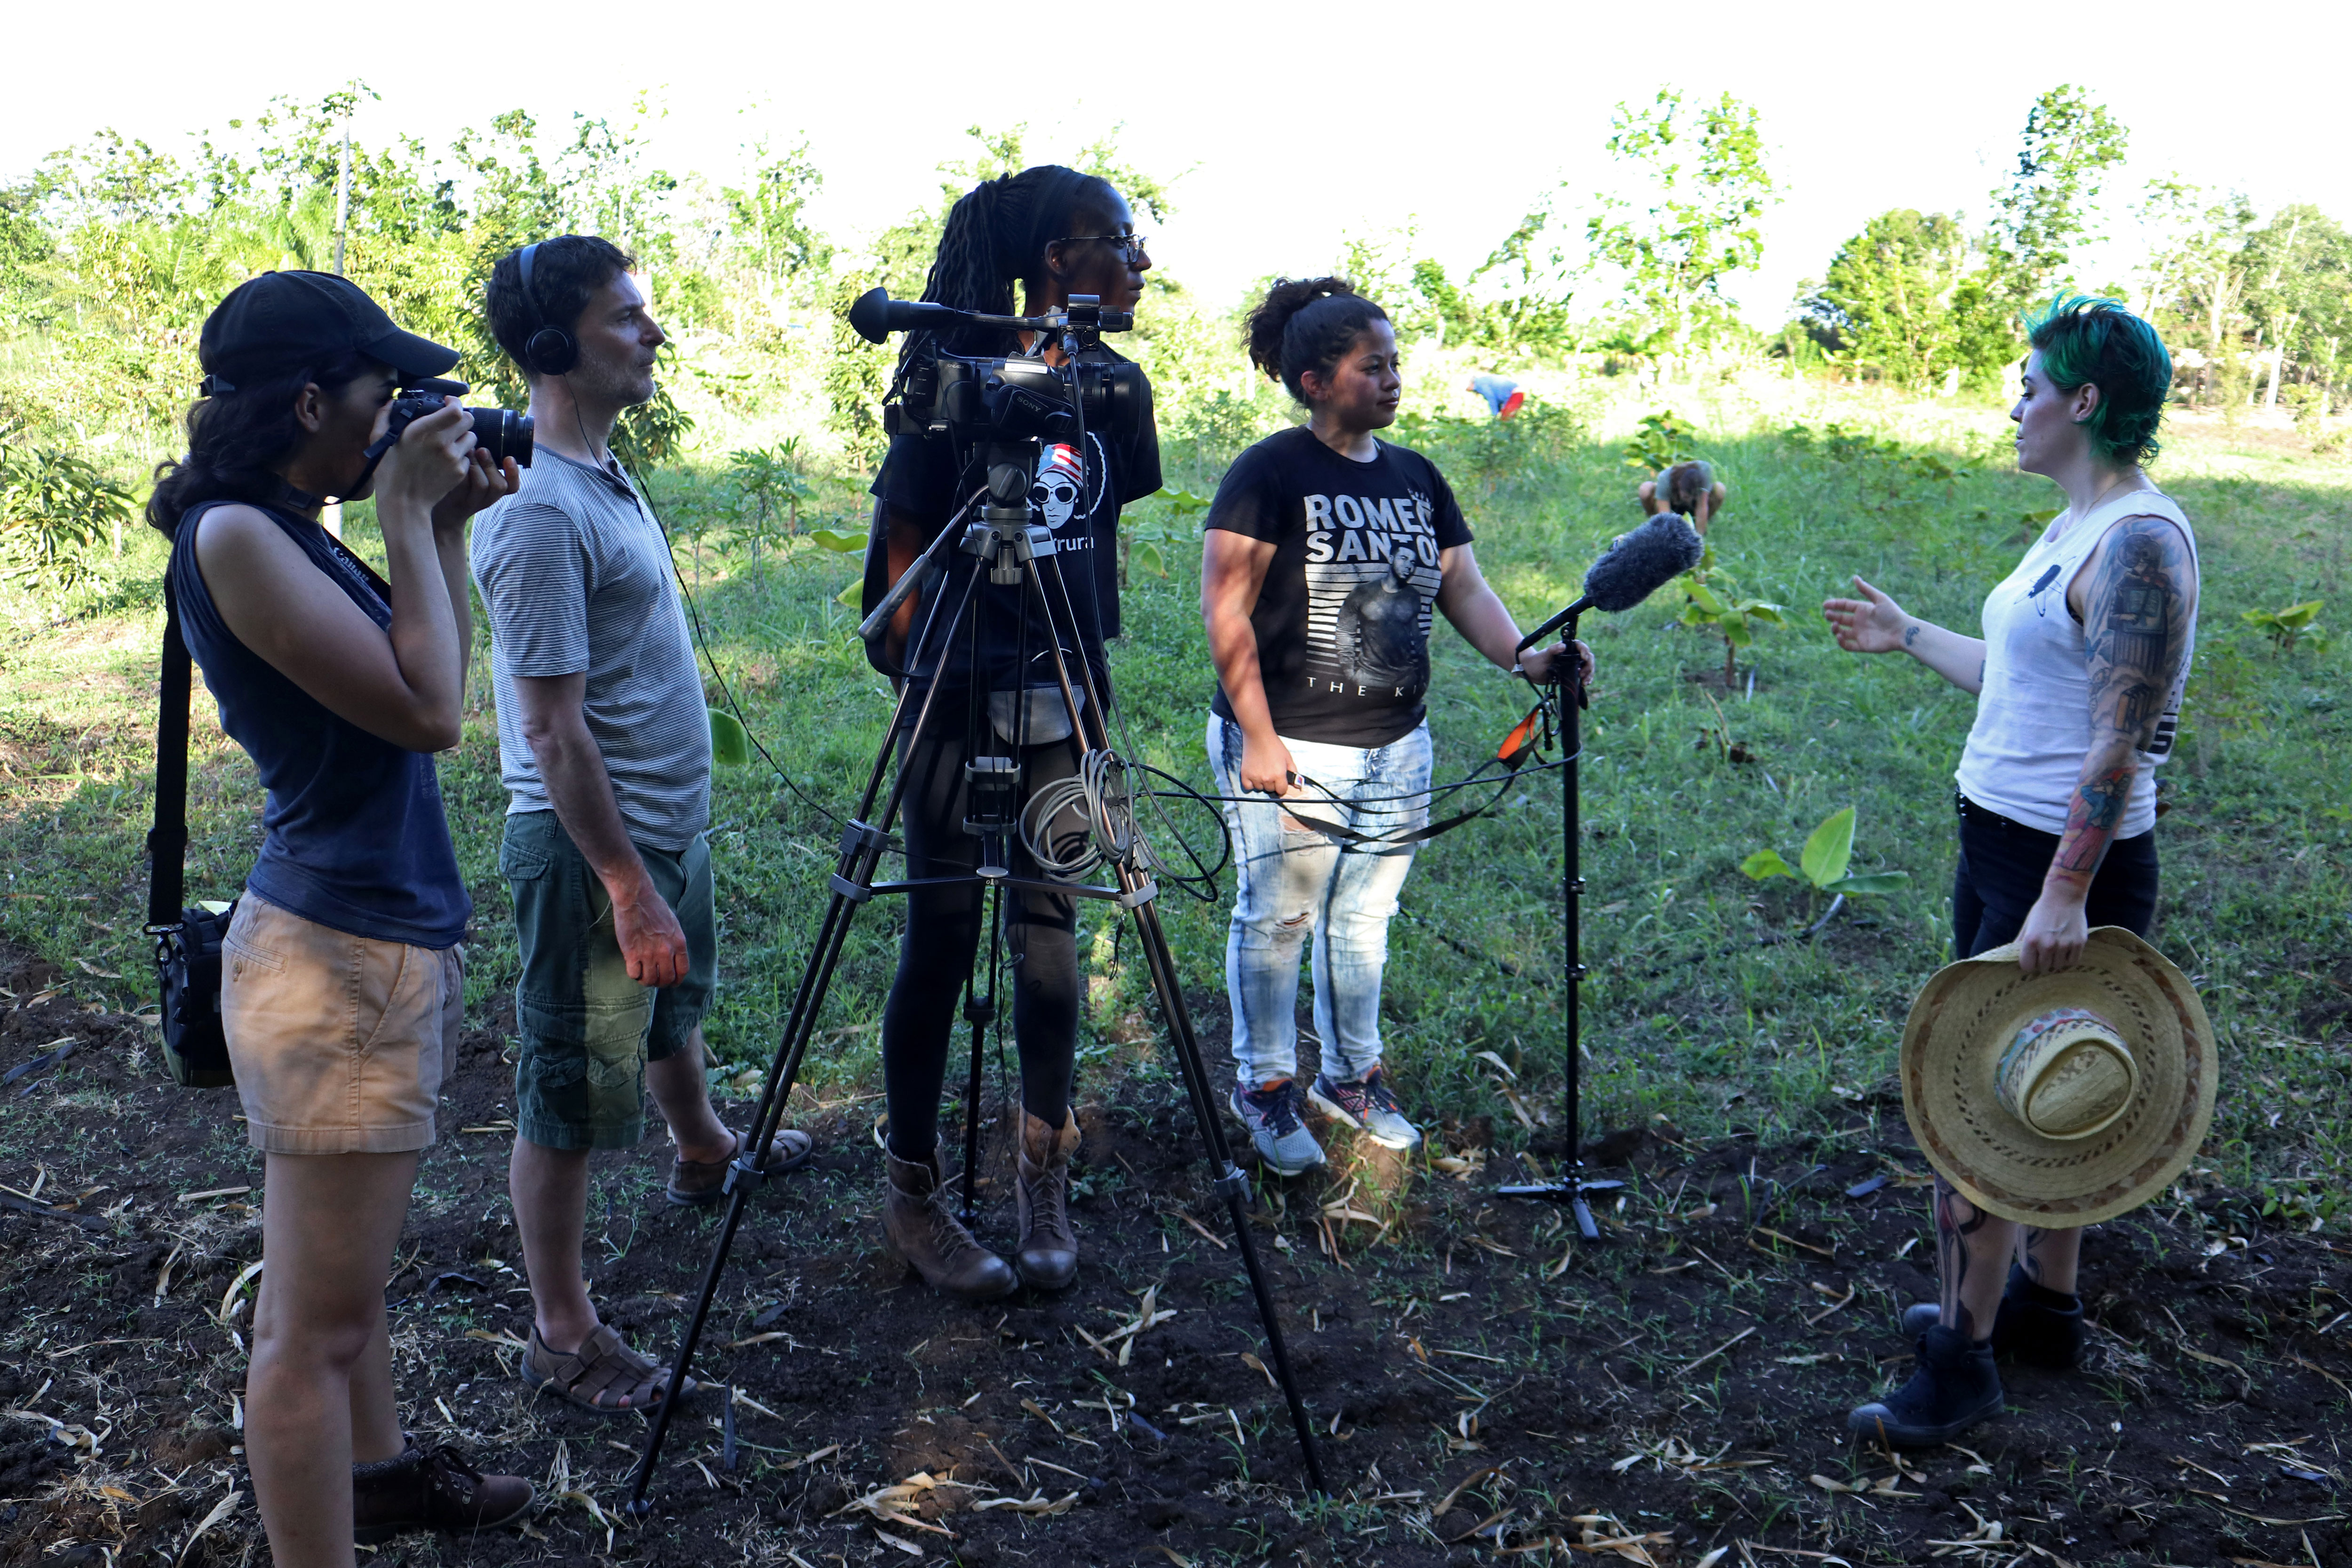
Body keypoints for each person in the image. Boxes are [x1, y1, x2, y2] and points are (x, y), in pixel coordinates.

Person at [151, 271, 532, 1564]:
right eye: (386, 393)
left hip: (366, 942)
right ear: (310, 401)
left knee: (343, 1287)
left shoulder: (291, 524)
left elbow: (429, 677)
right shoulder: (237, 535)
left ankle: (379, 1479)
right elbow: (430, 716)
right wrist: (406, 508)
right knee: (307, 1333)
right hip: (336, 960)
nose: (400, 416)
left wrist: (443, 529)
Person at [1824, 295, 2198, 1447]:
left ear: (2082, 400)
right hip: (2008, 847)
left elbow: (2118, 739)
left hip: (2057, 863)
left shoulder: (2138, 542)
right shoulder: (2079, 522)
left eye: (2028, 386)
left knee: (1979, 1112)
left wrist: (2064, 892)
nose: (2013, 403)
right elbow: (2033, 678)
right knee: (2044, 1094)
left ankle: (1960, 1361)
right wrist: (1908, 635)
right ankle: (2045, 1304)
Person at [471, 236, 813, 1412]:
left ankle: (704, 1147)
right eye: (625, 317)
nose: (653, 333)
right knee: (570, 1088)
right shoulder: (536, 512)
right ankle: (562, 1332)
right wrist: (624, 883)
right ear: (552, 345)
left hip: (658, 827)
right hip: (591, 853)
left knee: (672, 1007)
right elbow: (551, 729)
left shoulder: (600, 473)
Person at [1200, 278, 1584, 1176]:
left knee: (1364, 918)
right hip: (1291, 744)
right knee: (1279, 916)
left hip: (1398, 746)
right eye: (1372, 366)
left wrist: (1525, 659)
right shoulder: (1270, 472)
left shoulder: (1416, 477)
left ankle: (1352, 1076)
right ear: (1314, 381)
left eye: (1395, 363)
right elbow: (1226, 608)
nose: (1393, 379)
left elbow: (1464, 586)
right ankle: (1264, 1085)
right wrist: (1260, 737)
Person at [863, 165, 1160, 1298]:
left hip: (1065, 695)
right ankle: (914, 1190)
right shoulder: (954, 381)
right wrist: (933, 680)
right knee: (939, 933)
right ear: (1056, 259)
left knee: (1048, 931)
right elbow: (893, 571)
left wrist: (1076, 671)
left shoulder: (1115, 387)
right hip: (953, 695)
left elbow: (1096, 535)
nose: (1140, 262)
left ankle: (1043, 1164)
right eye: (1119, 241)